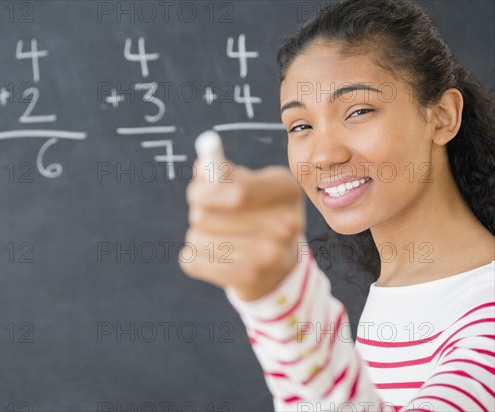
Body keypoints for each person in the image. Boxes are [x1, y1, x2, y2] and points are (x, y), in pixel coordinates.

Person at [179, 0, 495, 410]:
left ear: (442, 116)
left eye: (359, 110)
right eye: (301, 126)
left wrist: (279, 295)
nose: (323, 155)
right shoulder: (396, 291)